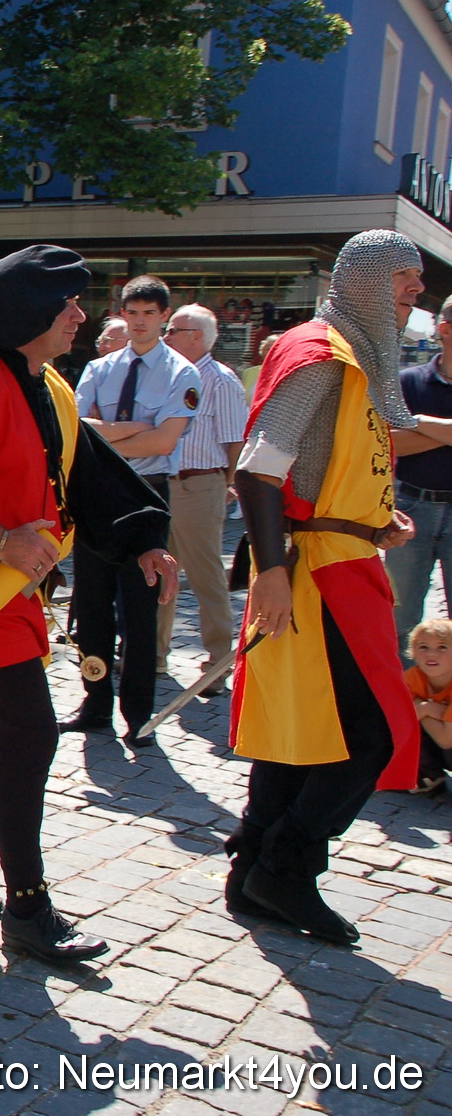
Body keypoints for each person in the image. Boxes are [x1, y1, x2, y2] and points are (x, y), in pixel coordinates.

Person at [0, 243, 176, 963]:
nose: (82, 315)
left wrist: (143, 538)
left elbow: (90, 475)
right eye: (70, 303)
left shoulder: (49, 385)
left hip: (5, 590)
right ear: (33, 311)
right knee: (30, 737)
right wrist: (1, 539)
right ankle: (28, 909)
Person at [228, 229, 425, 945]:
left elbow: (316, 473)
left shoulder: (341, 356)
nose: (416, 290)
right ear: (365, 279)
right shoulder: (322, 356)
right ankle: (285, 865)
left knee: (298, 729)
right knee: (372, 732)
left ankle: (252, 866)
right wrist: (272, 568)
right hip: (313, 574)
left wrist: (373, 523)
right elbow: (257, 470)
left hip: (338, 555)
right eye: (405, 276)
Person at [61, 276, 198, 742]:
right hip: (98, 491)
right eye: (132, 313)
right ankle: (94, 701)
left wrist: (111, 430)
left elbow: (164, 440)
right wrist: (133, 427)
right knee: (92, 605)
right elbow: (78, 430)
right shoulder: (100, 369)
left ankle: (138, 714)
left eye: (149, 314)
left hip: (146, 493)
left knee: (140, 609)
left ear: (164, 317)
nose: (139, 323)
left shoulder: (182, 372)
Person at [154, 304, 246, 690]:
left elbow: (235, 442)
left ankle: (217, 660)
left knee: (206, 576)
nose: (165, 335)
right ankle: (154, 655)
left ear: (197, 337)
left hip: (199, 486)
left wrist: (223, 485)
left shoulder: (222, 381)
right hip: (160, 483)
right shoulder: (167, 373)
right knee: (158, 574)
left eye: (173, 329)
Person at [387, 295, 452, 656]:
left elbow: (405, 434)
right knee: (402, 619)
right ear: (445, 329)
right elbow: (390, 443)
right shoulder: (409, 382)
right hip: (412, 507)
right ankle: (405, 704)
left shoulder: (413, 397)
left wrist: (422, 423)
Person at [404, 618, 452, 795]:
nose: (432, 654)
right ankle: (429, 775)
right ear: (413, 653)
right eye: (424, 647)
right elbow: (398, 723)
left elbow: (446, 740)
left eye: (442, 647)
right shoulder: (411, 678)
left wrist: (420, 708)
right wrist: (428, 709)